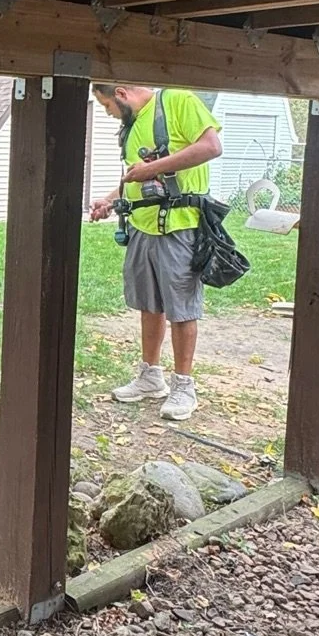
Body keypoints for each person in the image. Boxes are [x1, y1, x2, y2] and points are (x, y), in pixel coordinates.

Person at [89, 83, 223, 422]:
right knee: (149, 305)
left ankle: (184, 386)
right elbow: (137, 175)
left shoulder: (178, 101)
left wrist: (154, 167)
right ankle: (150, 376)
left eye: (107, 107)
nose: (109, 114)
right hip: (142, 226)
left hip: (180, 224)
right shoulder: (133, 125)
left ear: (121, 93)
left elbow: (211, 146)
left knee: (181, 309)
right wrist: (109, 199)